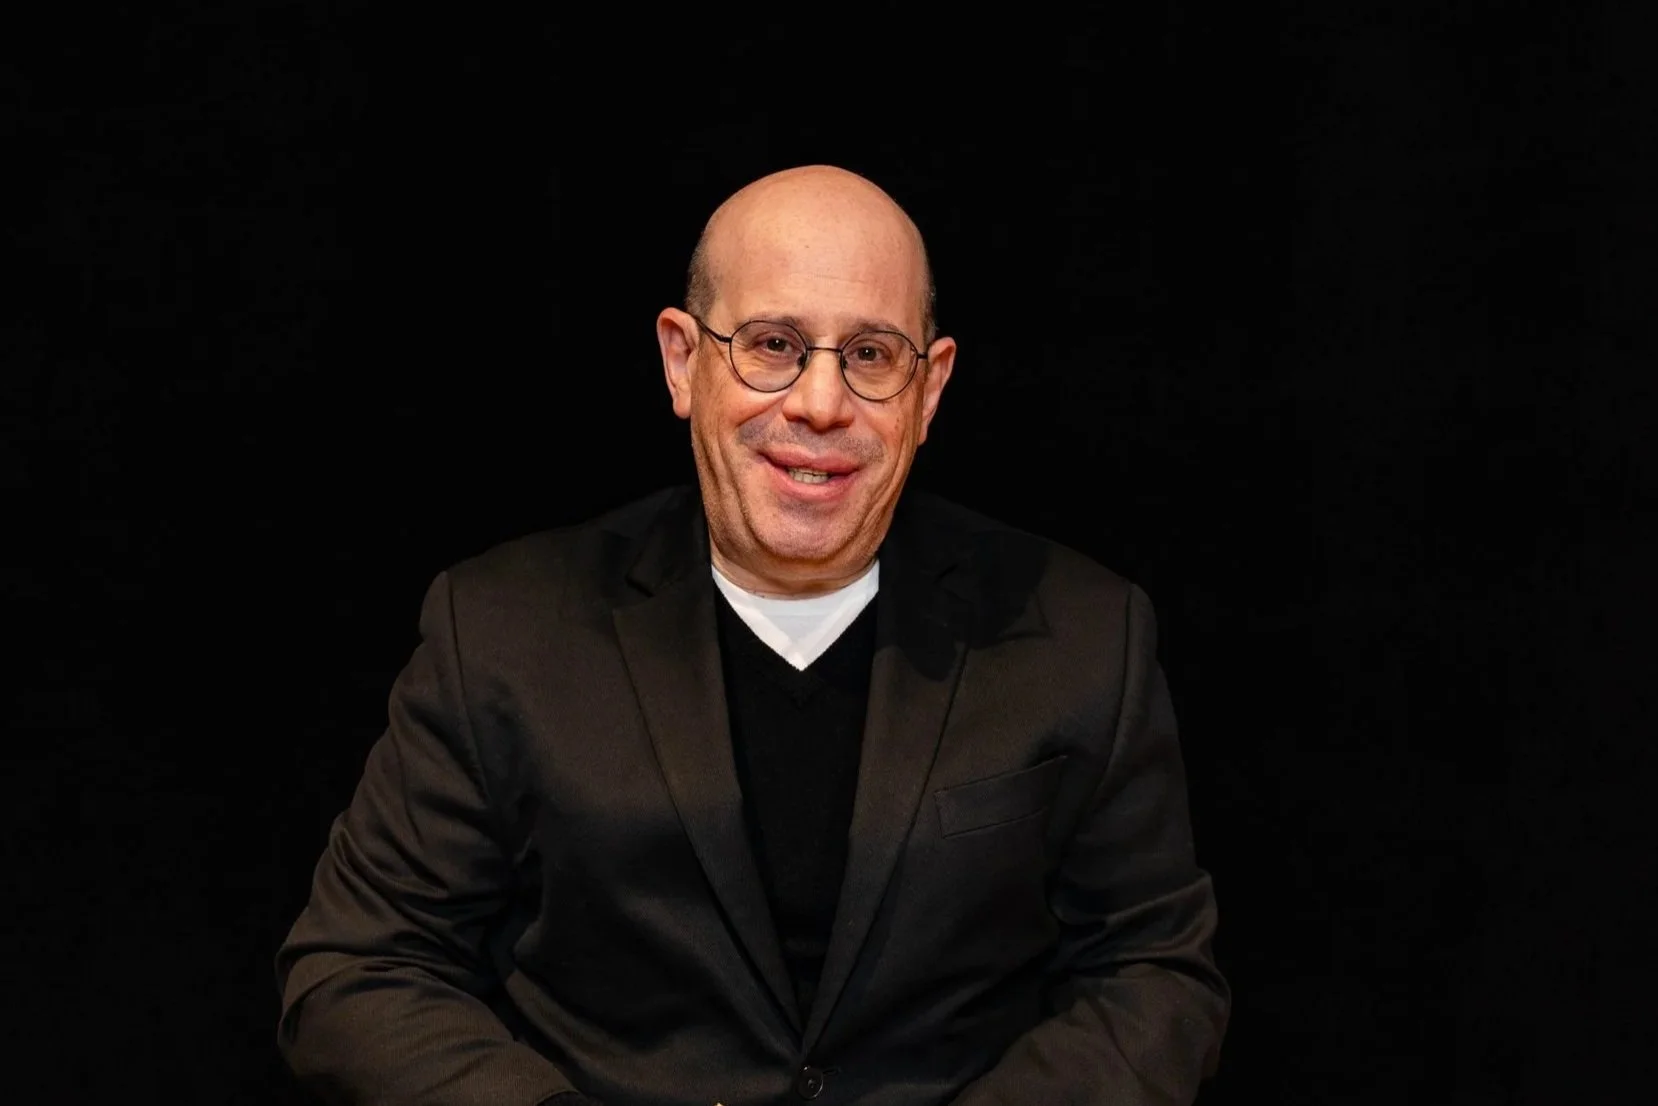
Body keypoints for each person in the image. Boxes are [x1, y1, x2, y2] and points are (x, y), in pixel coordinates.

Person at [275, 165, 1229, 1105]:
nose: (820, 404)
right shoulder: (499, 631)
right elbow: (358, 969)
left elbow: (1152, 974)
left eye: (870, 354)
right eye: (773, 344)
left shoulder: (1086, 636)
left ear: (929, 389)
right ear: (683, 361)